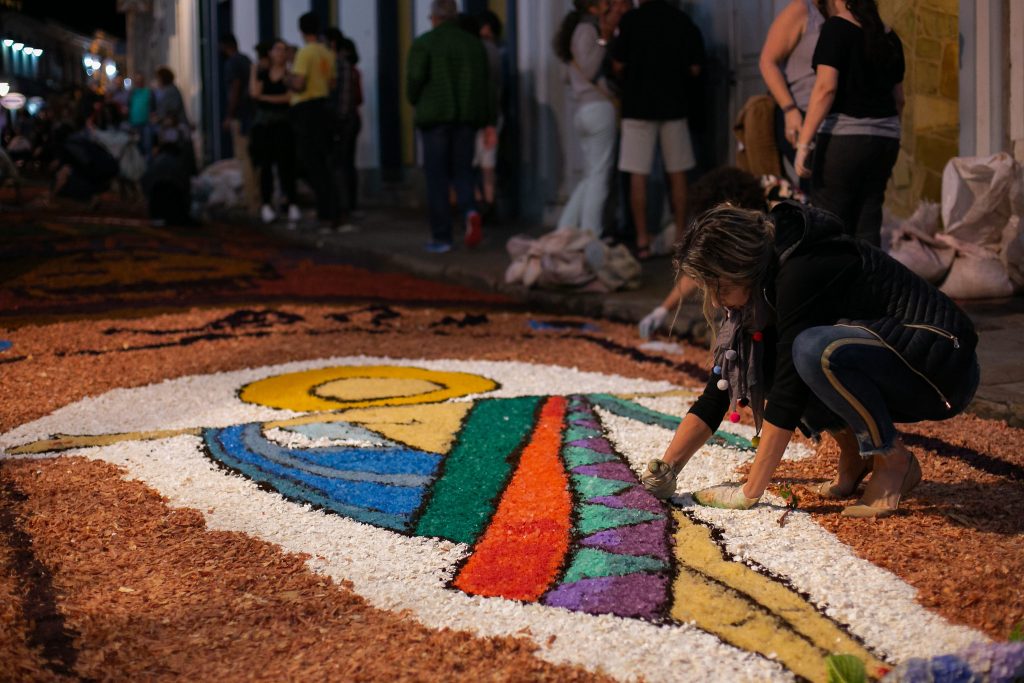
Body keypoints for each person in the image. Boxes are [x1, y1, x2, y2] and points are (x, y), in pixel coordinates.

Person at [639, 201, 979, 518]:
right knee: (766, 356)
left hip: (941, 365)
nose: (715, 302)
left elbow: (790, 385)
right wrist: (668, 469)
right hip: (898, 358)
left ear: (741, 266)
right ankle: (855, 458)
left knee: (812, 350)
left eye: (720, 288)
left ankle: (892, 459)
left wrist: (750, 491)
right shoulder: (762, 280)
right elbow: (718, 389)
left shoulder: (799, 269)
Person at [794, 0, 904, 247]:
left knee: (828, 227)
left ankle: (833, 285)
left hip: (845, 141)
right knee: (868, 223)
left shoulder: (836, 29)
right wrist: (891, 135)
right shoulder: (889, 36)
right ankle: (870, 284)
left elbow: (825, 88)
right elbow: (900, 100)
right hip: (886, 140)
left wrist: (803, 143)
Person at [611, 0, 704, 260]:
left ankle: (642, 241)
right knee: (678, 173)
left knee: (637, 175)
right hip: (674, 106)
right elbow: (696, 67)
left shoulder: (631, 20)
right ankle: (679, 239)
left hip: (637, 106)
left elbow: (618, 64)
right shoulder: (682, 21)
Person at [406, 0, 495, 253]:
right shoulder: (473, 45)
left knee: (437, 178)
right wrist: (487, 120)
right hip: (466, 118)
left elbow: (414, 80)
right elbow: (485, 86)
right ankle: (469, 211)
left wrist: (415, 99)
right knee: (463, 173)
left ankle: (442, 237)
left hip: (435, 118)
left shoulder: (425, 43)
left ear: (434, 17)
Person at [638, 166, 765, 339]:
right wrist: (663, 309)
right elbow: (700, 270)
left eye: (723, 290)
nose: (715, 302)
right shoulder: (742, 233)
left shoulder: (761, 240)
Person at [553, 0, 620, 238]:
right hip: (597, 107)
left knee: (591, 175)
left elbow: (566, 75)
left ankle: (565, 229)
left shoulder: (575, 29)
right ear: (593, 6)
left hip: (583, 108)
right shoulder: (587, 30)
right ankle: (591, 235)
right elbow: (589, 68)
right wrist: (603, 40)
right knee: (599, 177)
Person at [759, 0, 826, 187]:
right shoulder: (802, 10)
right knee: (815, 188)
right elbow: (767, 61)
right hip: (801, 112)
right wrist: (789, 109)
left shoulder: (844, 11)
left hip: (833, 117)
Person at [289, 12, 337, 229]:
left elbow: (299, 84)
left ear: (301, 31)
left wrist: (286, 78)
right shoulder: (328, 53)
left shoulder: (305, 53)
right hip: (324, 107)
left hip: (306, 108)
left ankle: (324, 212)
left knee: (308, 161)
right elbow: (333, 83)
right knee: (323, 161)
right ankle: (330, 210)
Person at [250, 38, 300, 225]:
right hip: (264, 126)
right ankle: (266, 204)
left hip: (283, 124)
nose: (280, 53)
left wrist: (265, 98)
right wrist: (254, 71)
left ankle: (291, 202)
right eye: (276, 49)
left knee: (286, 165)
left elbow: (288, 97)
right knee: (265, 166)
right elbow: (254, 93)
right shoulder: (263, 73)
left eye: (283, 50)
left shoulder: (289, 74)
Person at [326, 27, 360, 232]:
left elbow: (346, 98)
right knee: (345, 164)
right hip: (346, 120)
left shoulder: (339, 65)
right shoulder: (340, 65)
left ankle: (342, 208)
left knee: (339, 165)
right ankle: (344, 207)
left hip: (342, 121)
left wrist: (338, 120)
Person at [219, 34, 258, 215]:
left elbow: (235, 87)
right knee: (251, 158)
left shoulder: (232, 63)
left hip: (242, 115)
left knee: (245, 159)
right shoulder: (246, 60)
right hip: (251, 113)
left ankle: (251, 201)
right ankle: (254, 198)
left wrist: (229, 114)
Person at [475, 9, 504, 217]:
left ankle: (480, 204)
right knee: (488, 163)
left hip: (480, 114)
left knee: (475, 162)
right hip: (494, 113)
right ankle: (489, 202)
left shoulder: (480, 50)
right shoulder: (498, 50)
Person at [127, 72, 154, 155]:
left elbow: (153, 107)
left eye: (140, 79)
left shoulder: (148, 92)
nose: (139, 81)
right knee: (136, 147)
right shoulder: (132, 93)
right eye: (137, 79)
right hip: (134, 124)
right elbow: (129, 106)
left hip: (146, 124)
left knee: (147, 146)